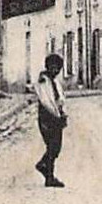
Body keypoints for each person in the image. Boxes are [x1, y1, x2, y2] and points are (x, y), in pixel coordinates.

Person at [34, 53, 67, 188]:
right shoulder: (43, 81)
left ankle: (47, 173)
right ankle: (48, 175)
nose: (55, 70)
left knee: (56, 147)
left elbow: (60, 99)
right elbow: (46, 101)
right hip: (47, 116)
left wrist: (63, 113)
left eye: (57, 68)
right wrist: (56, 115)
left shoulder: (55, 81)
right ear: (47, 67)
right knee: (52, 146)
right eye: (52, 67)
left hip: (57, 116)